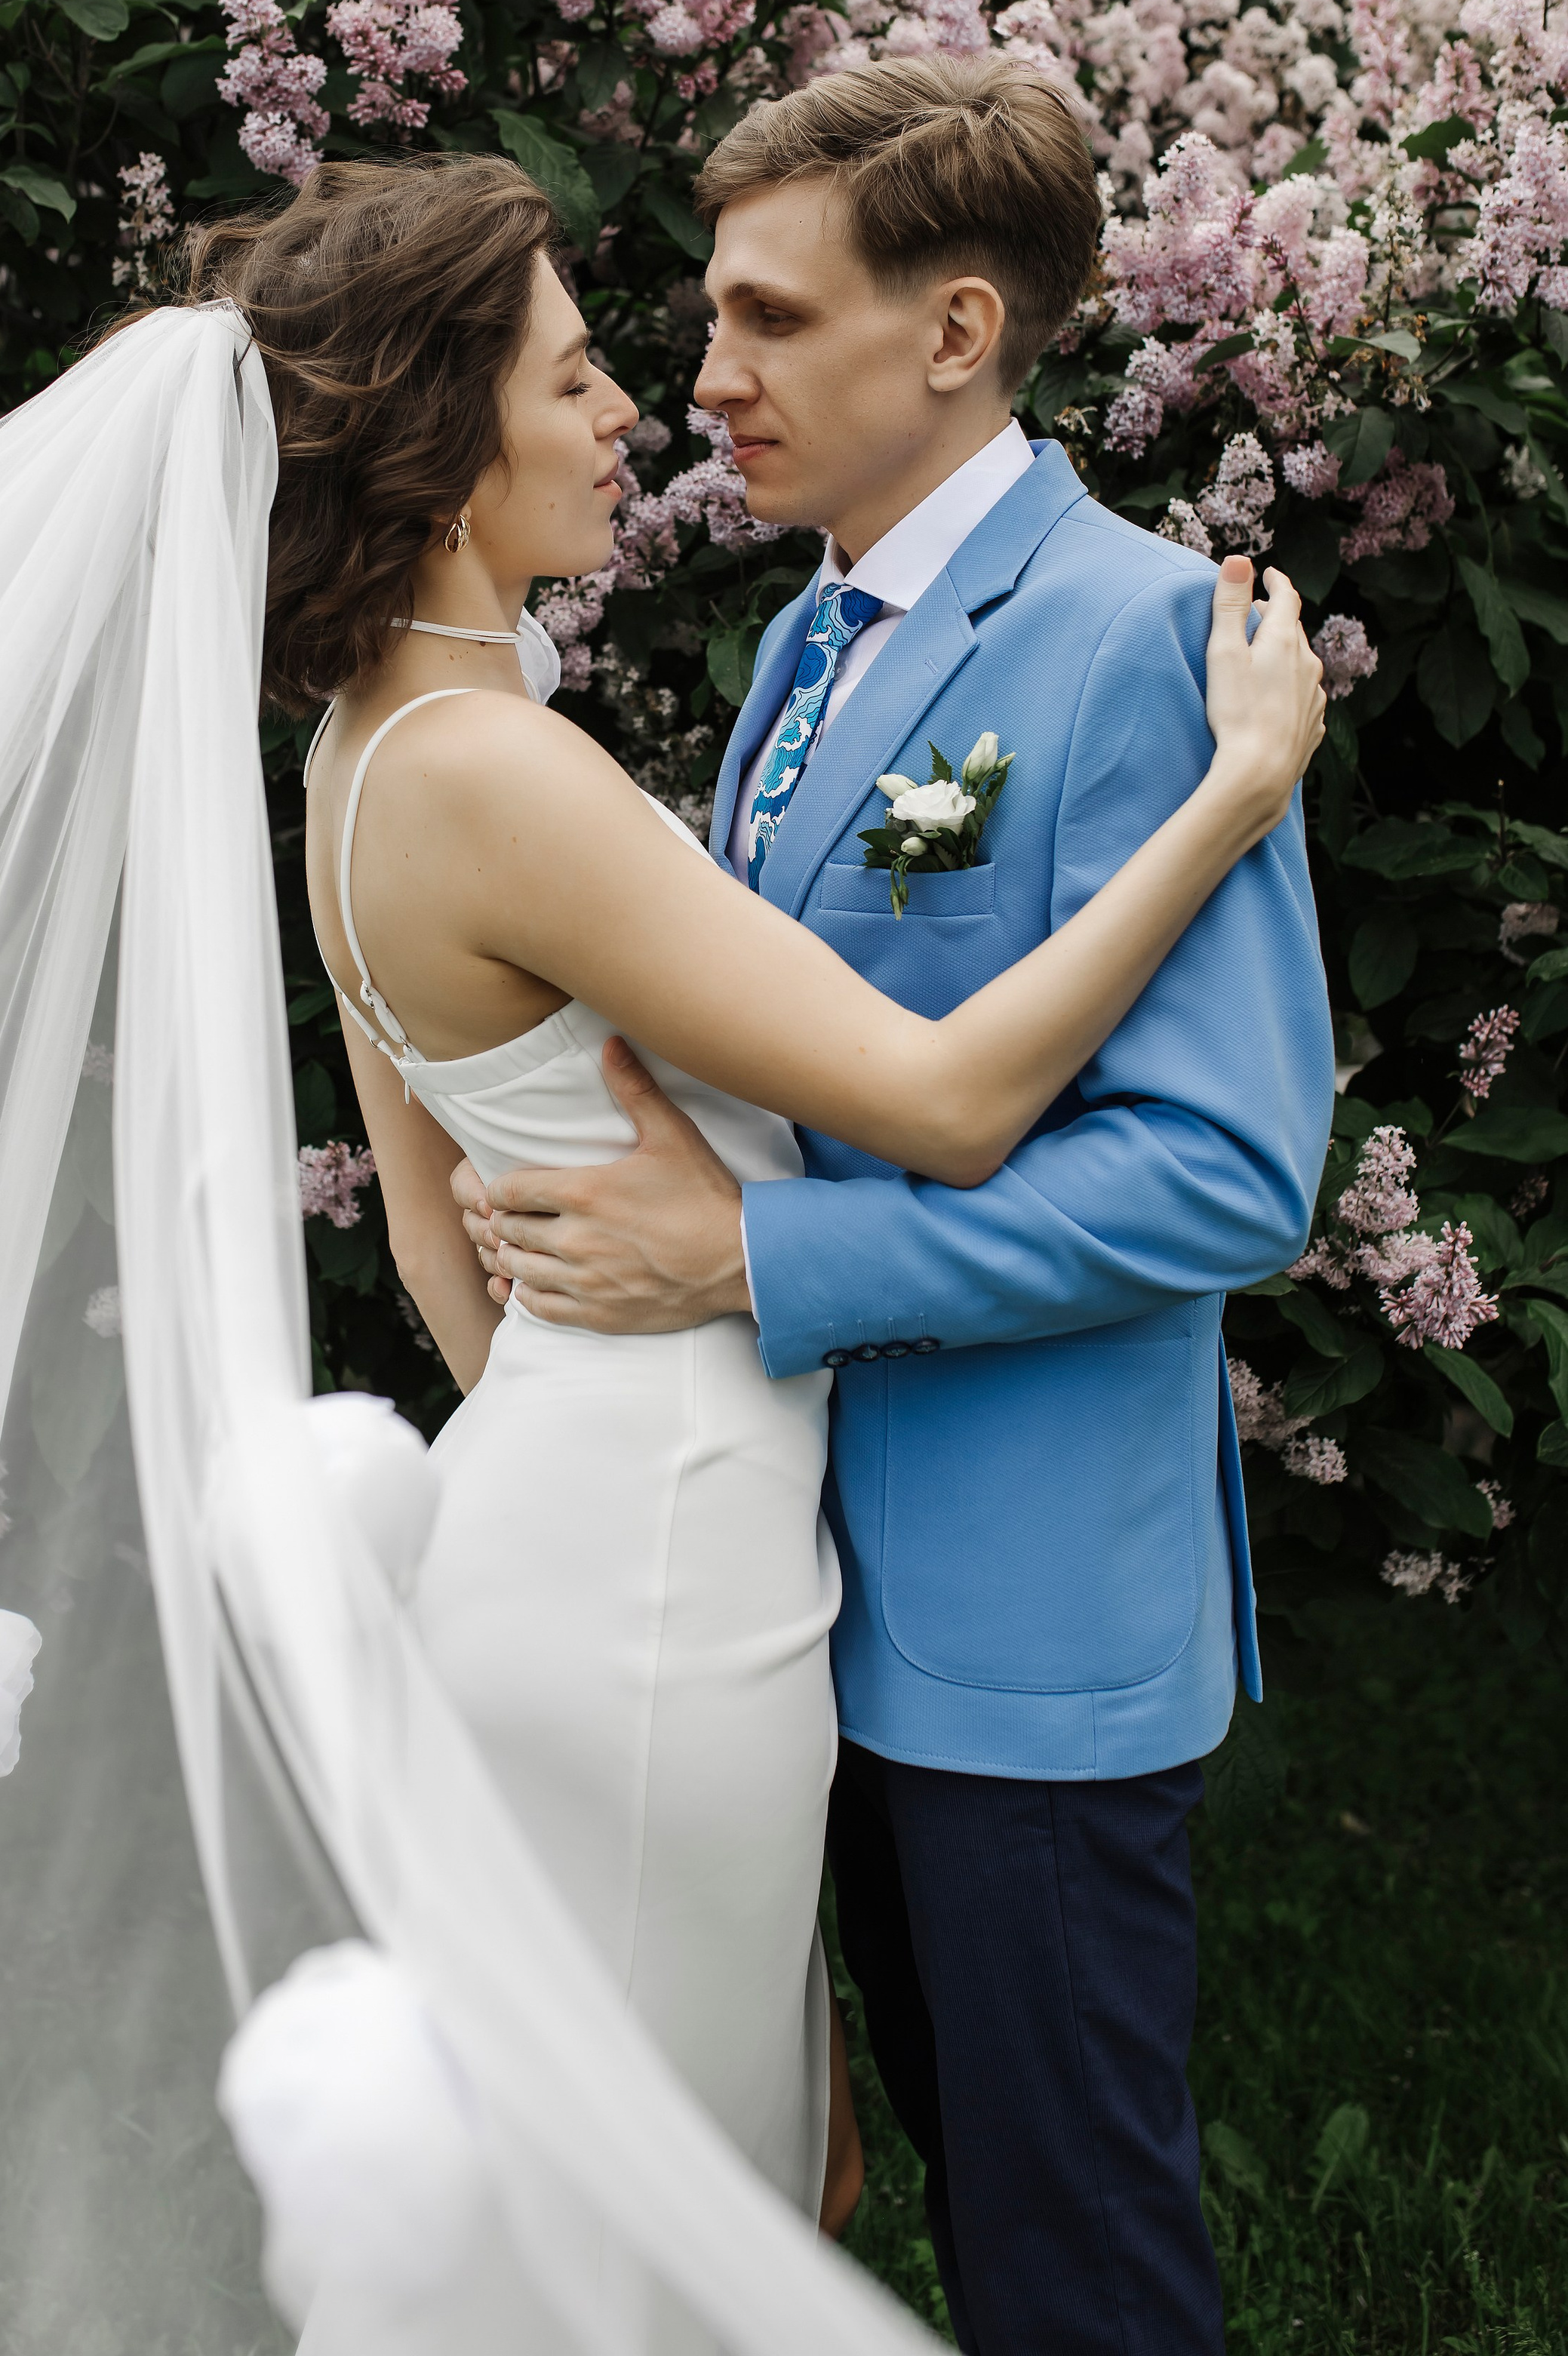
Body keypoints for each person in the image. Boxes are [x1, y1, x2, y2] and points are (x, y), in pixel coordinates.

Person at [239, 132, 1327, 2348]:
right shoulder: (772, 658)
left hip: (1006, 1627)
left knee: (1061, 2250)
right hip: (733, 1595)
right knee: (724, 2197)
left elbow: (1224, 1178)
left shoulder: (1145, 638)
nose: (687, 373)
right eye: (661, 330)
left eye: (766, 316)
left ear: (954, 331)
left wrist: (747, 1280)